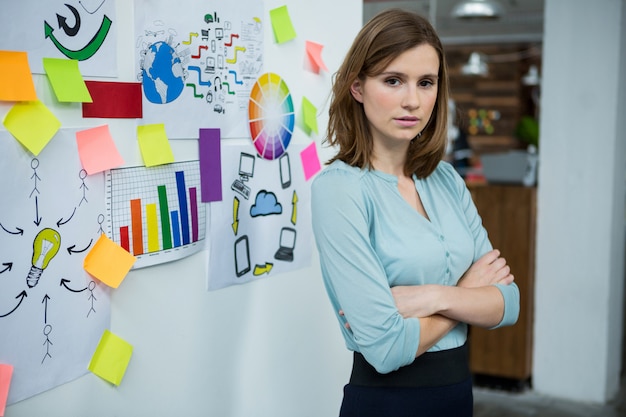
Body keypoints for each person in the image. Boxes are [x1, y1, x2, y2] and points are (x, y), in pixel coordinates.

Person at [311, 9, 520, 417]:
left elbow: (506, 304)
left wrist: (430, 296)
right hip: (387, 402)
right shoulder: (339, 190)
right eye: (393, 80)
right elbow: (386, 348)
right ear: (357, 87)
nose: (413, 100)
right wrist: (466, 296)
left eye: (426, 82)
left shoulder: (445, 179)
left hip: (458, 395)